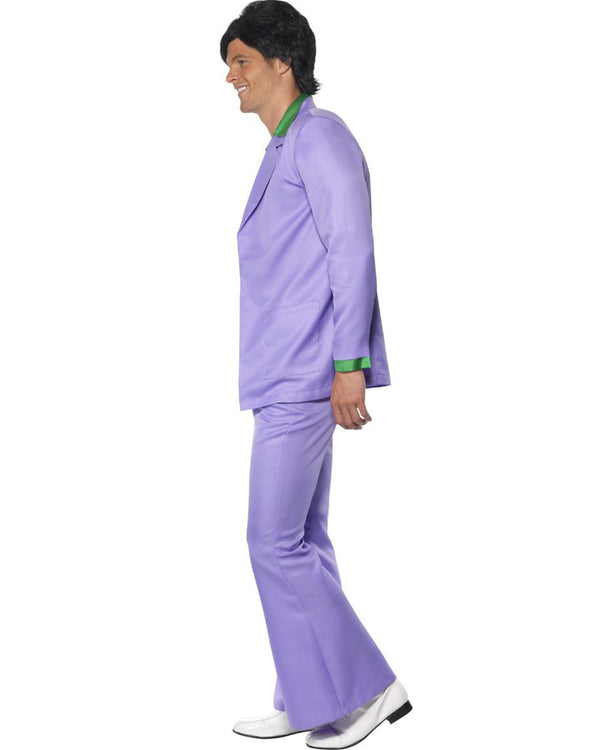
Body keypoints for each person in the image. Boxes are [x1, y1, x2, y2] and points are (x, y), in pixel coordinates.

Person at [220, 2, 412, 747]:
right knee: (305, 538)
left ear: (282, 63)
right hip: (284, 372)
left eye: (241, 61)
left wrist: (350, 365)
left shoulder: (320, 137)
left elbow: (351, 251)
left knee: (272, 541)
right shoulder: (284, 147)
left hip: (305, 372)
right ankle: (310, 696)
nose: (231, 78)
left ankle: (367, 688)